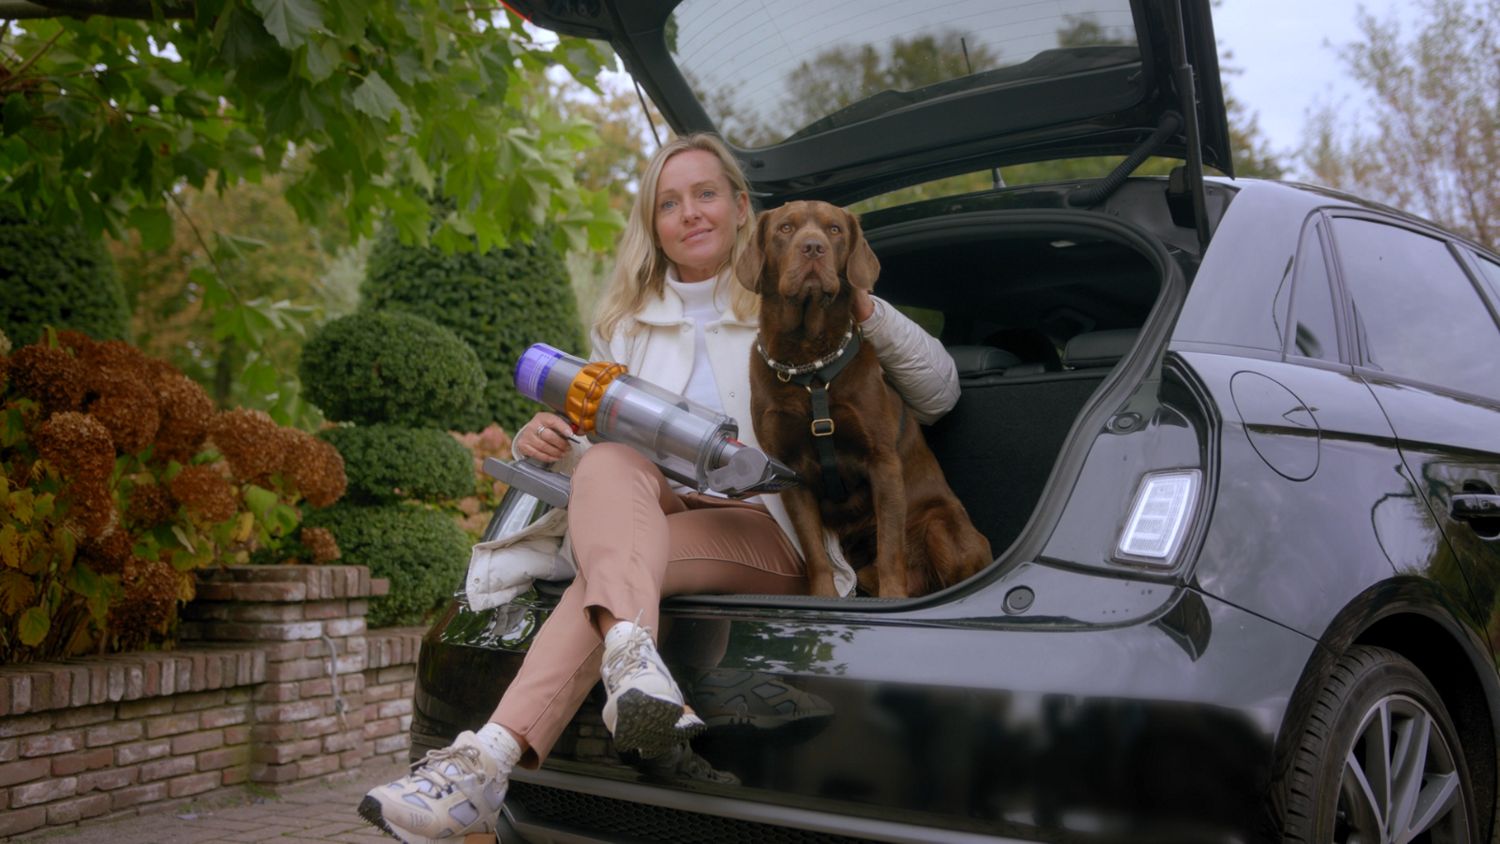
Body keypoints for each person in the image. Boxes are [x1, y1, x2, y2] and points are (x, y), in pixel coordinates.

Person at [358, 133, 961, 843]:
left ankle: (484, 761)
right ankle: (632, 665)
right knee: (608, 464)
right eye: (668, 203)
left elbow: (941, 393)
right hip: (649, 520)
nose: (690, 213)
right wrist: (545, 444)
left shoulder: (803, 306)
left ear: (741, 208)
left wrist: (866, 307)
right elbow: (593, 458)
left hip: (762, 527)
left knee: (604, 582)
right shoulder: (622, 326)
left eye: (706, 194)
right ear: (653, 224)